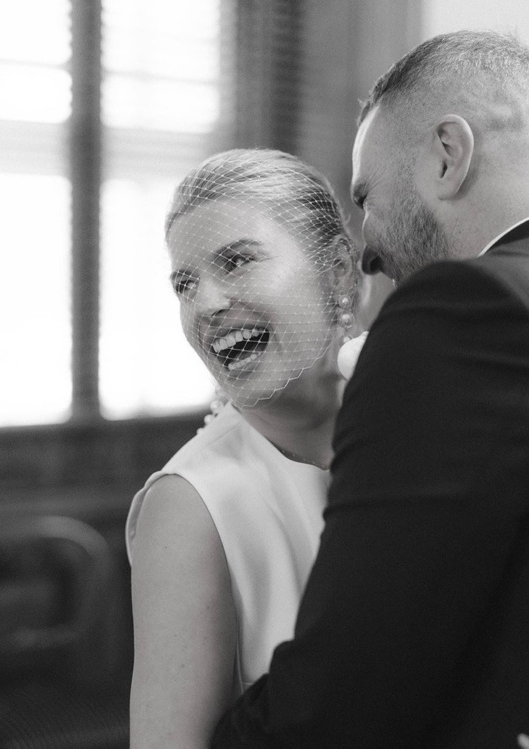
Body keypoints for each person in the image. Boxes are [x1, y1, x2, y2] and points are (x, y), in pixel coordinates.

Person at [211, 30, 529, 749]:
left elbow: (348, 691)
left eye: (365, 194)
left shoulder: (466, 312)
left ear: (446, 155)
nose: (365, 249)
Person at [125, 148, 368, 748]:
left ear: (337, 271)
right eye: (185, 283)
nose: (205, 304)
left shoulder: (427, 423)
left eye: (236, 261)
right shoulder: (192, 505)